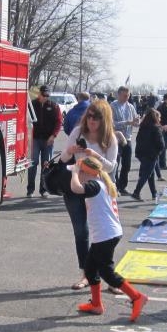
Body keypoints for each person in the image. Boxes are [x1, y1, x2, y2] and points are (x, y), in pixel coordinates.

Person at [69, 156, 148, 322]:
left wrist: (75, 173)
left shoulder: (94, 185)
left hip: (106, 235)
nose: (78, 175)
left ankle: (137, 297)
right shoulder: (103, 183)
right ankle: (96, 305)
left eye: (80, 172)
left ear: (86, 173)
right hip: (107, 234)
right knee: (90, 269)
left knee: (106, 272)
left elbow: (75, 188)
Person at [58, 100, 118, 291]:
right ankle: (86, 274)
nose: (92, 120)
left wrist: (95, 155)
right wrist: (70, 151)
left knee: (106, 233)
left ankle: (110, 277)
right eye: (89, 116)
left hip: (100, 190)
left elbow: (111, 166)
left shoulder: (110, 138)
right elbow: (63, 159)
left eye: (97, 117)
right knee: (81, 232)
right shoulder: (77, 132)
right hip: (76, 187)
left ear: (104, 119)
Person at [27, 86, 62, 198]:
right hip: (35, 139)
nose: (45, 97)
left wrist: (53, 136)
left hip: (48, 140)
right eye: (44, 95)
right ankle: (30, 189)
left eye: (47, 95)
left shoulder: (54, 106)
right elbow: (27, 120)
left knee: (46, 164)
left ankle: (43, 189)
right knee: (33, 163)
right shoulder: (31, 105)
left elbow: (59, 122)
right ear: (39, 94)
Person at [130, 108, 165, 201]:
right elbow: (161, 144)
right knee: (146, 174)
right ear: (155, 118)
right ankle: (136, 192)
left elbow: (138, 139)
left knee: (150, 174)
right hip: (151, 154)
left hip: (141, 154)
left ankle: (154, 193)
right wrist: (158, 152)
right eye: (159, 117)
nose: (160, 119)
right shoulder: (155, 128)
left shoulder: (143, 126)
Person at [111, 86, 140, 192]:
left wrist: (137, 121)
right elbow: (112, 124)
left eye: (128, 95)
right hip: (116, 139)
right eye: (124, 95)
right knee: (115, 163)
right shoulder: (112, 106)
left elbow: (136, 122)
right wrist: (127, 122)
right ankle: (115, 185)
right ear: (118, 95)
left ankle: (123, 186)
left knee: (127, 164)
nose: (126, 98)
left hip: (127, 139)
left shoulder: (130, 106)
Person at [156, 93, 167, 174]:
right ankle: (162, 164)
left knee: (163, 147)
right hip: (164, 129)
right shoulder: (165, 106)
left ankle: (160, 163)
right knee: (163, 147)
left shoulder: (161, 106)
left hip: (164, 128)